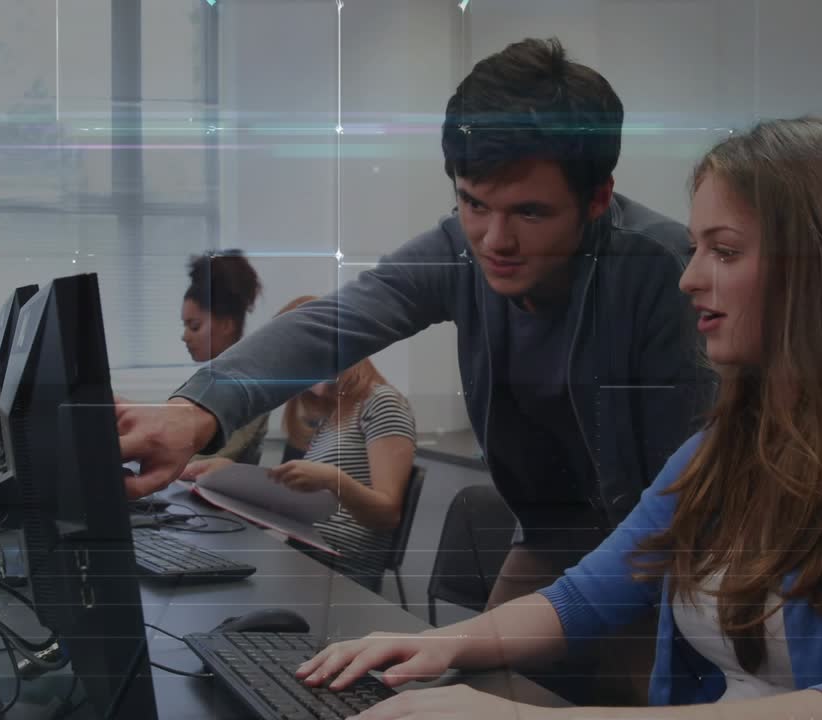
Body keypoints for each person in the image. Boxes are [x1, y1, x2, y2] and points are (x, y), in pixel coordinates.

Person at [290, 117, 822, 720]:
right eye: (696, 246)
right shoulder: (720, 451)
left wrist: (521, 718)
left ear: (821, 270)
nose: (689, 276)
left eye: (724, 251)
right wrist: (443, 647)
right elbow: (585, 597)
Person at [118, 37, 711, 608]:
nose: (494, 241)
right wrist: (194, 411)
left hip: (664, 554)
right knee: (485, 682)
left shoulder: (663, 272)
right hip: (550, 537)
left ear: (598, 198)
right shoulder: (459, 251)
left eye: (529, 212)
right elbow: (337, 322)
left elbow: (682, 498)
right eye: (474, 203)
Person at [184, 296, 417, 591]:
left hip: (340, 574)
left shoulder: (382, 403)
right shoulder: (332, 416)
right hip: (307, 557)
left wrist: (333, 480)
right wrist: (229, 473)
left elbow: (387, 514)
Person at [179, 250, 270, 466]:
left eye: (194, 326)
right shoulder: (213, 378)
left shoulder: (248, 381)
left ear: (226, 325)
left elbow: (204, 460)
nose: (184, 336)